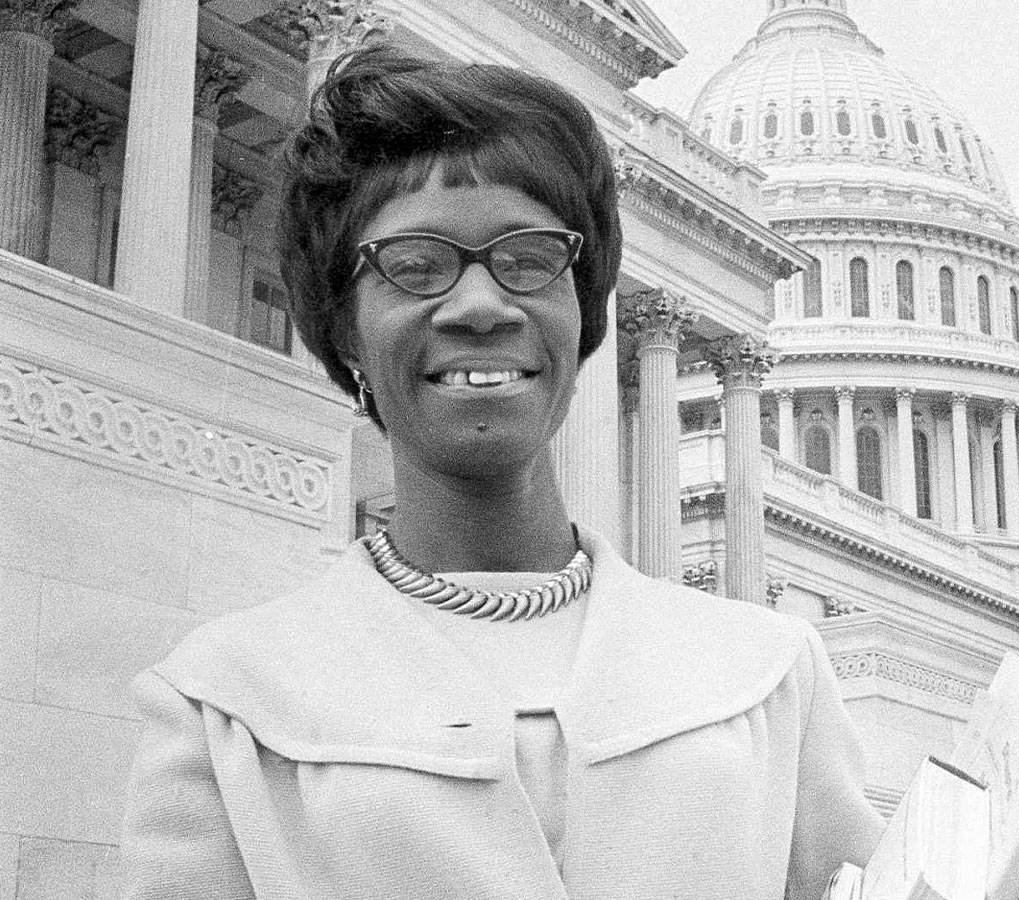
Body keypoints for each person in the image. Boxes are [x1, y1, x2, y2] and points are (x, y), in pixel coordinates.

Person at [118, 46, 882, 900]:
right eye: (415, 265)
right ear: (342, 329)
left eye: (527, 260)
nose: (482, 305)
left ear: (582, 313)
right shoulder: (224, 701)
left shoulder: (772, 677)